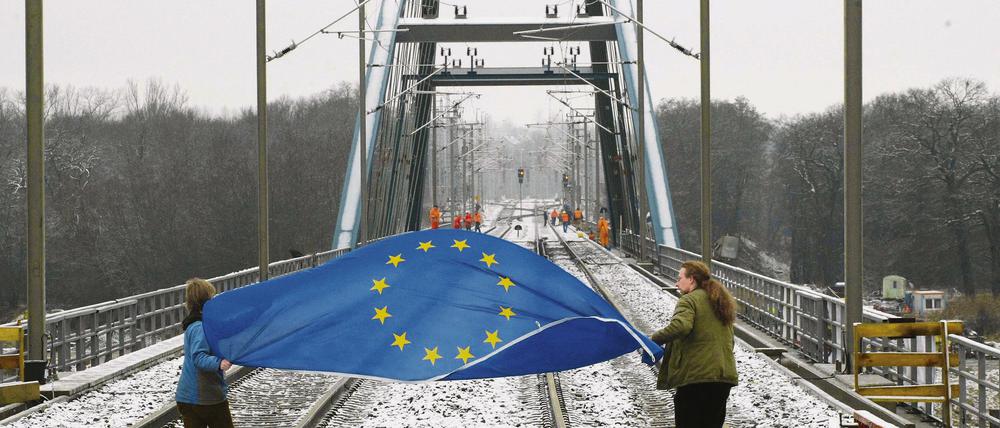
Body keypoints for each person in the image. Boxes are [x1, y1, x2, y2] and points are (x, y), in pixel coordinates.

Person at [649, 261, 738, 428]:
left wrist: (653, 339)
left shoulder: (689, 300)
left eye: (680, 277)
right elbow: (730, 341)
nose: (676, 282)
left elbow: (681, 326)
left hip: (696, 379)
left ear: (691, 280)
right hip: (722, 378)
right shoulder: (719, 301)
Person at [176, 278, 234, 428]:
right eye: (211, 297)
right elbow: (199, 357)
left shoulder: (196, 323)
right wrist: (219, 363)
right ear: (206, 301)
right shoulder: (199, 327)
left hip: (194, 396)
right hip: (202, 397)